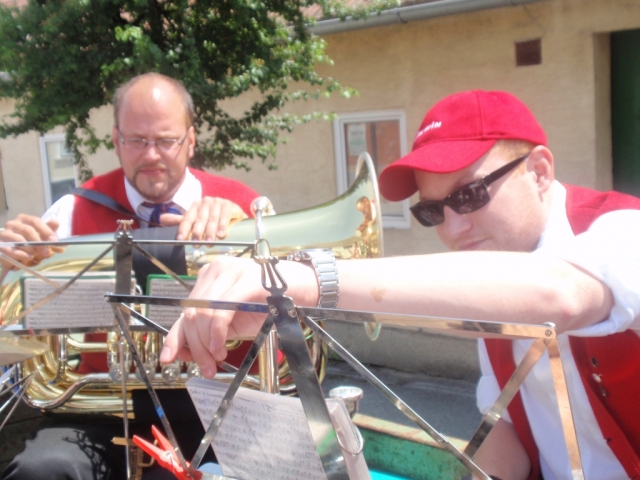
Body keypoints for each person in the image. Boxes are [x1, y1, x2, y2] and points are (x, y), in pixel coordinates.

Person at [161, 90, 640, 480]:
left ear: (539, 172)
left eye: (470, 194)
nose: (452, 229)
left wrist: (306, 280)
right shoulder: (494, 271)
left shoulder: (622, 231)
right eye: (432, 211)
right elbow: (511, 433)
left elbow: (560, 295)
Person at [0, 72, 260, 479]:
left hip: (222, 408)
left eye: (166, 140)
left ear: (191, 140)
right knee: (41, 471)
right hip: (101, 408)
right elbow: (19, 331)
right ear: (116, 140)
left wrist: (244, 235)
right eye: (136, 140)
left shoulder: (245, 207)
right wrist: (7, 270)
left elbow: (293, 327)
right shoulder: (69, 212)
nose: (151, 154)